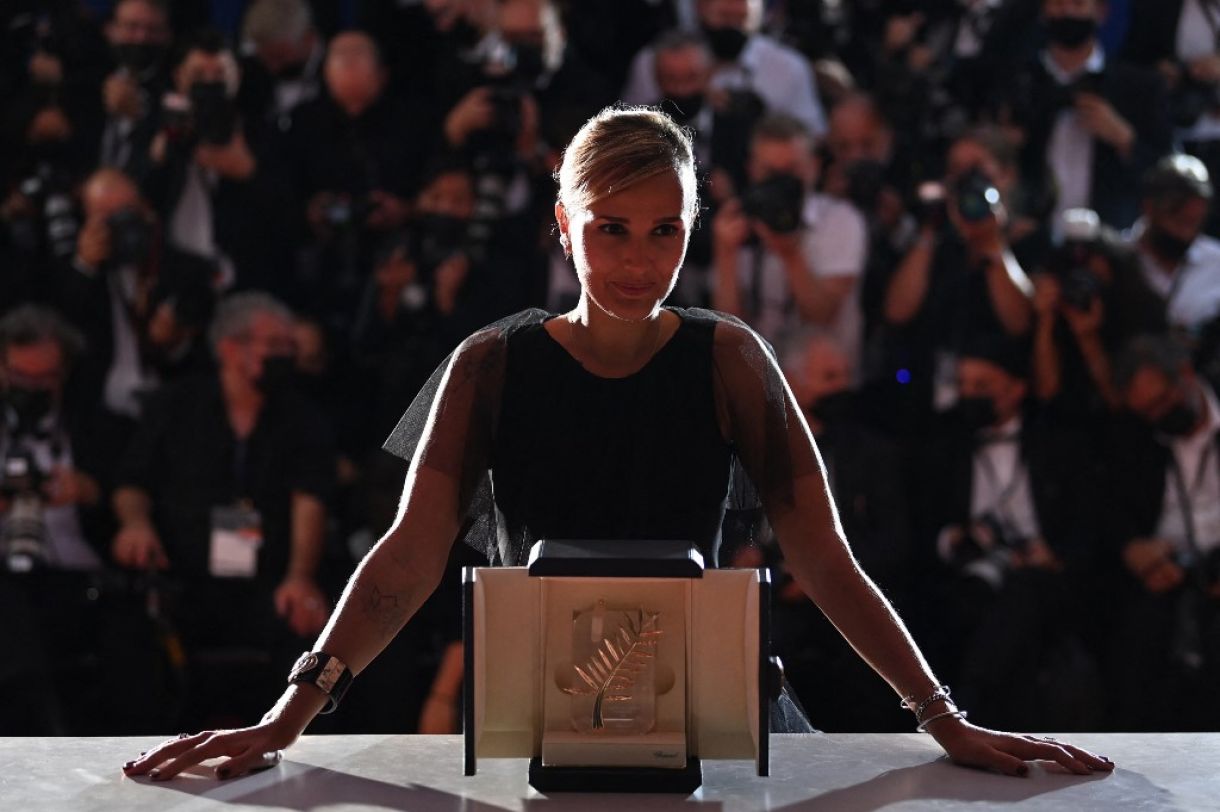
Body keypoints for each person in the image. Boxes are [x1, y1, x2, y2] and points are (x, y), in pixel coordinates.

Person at [122, 106, 1113, 782]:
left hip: (714, 706)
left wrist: (942, 717)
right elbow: (407, 554)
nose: (639, 259)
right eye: (611, 229)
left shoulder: (729, 355)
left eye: (662, 230)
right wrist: (284, 716)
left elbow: (823, 553)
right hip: (542, 709)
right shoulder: (490, 362)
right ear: (563, 225)